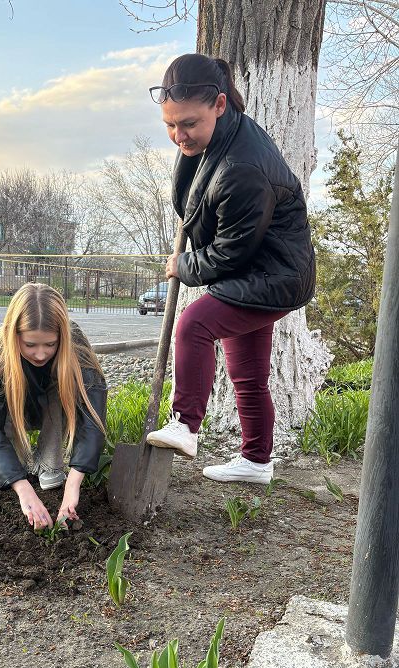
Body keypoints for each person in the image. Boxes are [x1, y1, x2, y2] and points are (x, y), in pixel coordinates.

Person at [146, 54, 316, 484]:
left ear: (219, 105)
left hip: (271, 275)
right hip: (258, 269)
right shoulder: (219, 136)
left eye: (189, 123)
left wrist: (184, 264)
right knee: (248, 374)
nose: (179, 135)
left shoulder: (243, 166)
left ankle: (185, 424)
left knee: (195, 324)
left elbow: (230, 254)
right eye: (170, 124)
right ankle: (257, 462)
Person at [0, 282, 107, 528]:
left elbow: (91, 416)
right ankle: (16, 465)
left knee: (64, 384)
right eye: (30, 345)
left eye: (50, 344)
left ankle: (49, 464)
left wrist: (73, 484)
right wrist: (22, 488)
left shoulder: (75, 346)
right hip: (13, 411)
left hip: (52, 409)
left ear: (62, 336)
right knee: (12, 468)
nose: (40, 354)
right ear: (14, 335)